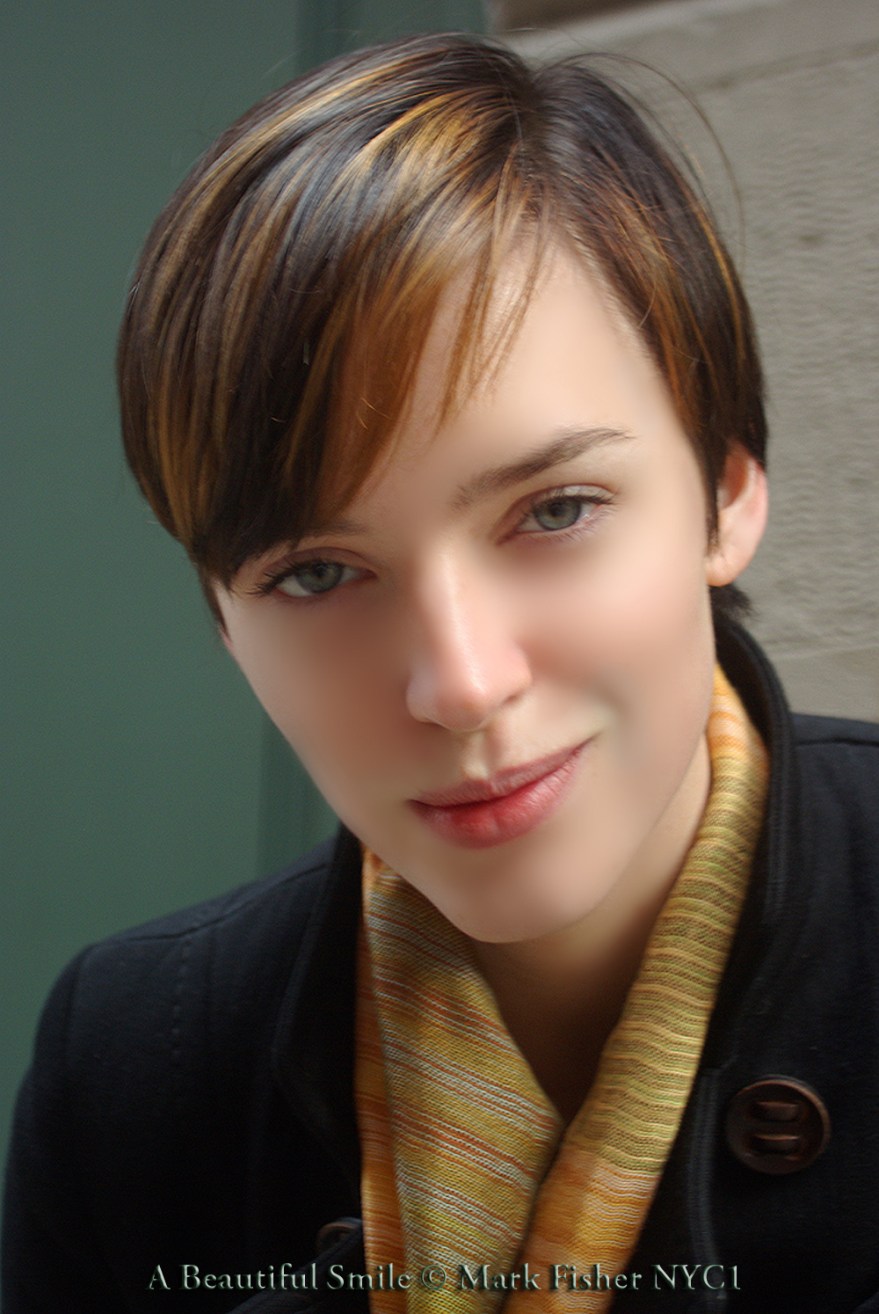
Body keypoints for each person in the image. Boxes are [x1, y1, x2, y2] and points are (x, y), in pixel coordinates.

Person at [3, 31, 878, 1314]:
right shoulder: (133, 1066)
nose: (461, 685)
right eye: (316, 572)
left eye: (557, 510)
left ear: (727, 492)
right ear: (223, 622)